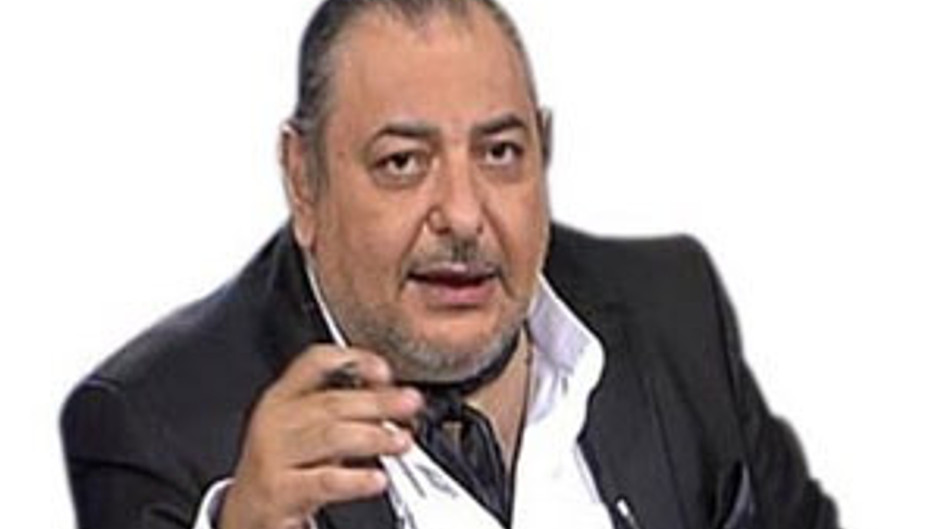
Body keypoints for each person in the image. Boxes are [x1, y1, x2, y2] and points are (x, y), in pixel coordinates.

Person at [61, 0, 839, 528]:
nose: (464, 215)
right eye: (403, 162)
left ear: (544, 149)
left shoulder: (674, 309)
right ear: (304, 180)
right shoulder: (152, 426)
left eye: (500, 153)